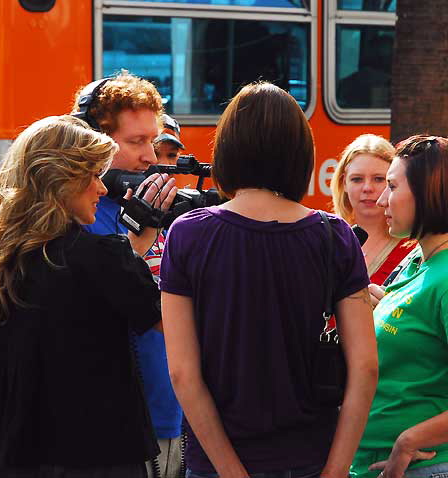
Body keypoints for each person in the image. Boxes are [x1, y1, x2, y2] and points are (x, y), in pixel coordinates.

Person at [159, 82, 379, 478]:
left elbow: (182, 373)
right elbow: (365, 367)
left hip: (216, 465)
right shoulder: (335, 236)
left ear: (227, 148)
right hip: (309, 458)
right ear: (299, 153)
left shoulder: (188, 234)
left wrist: (229, 471)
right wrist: (335, 470)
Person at [0, 115, 162, 478]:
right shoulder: (104, 260)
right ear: (60, 181)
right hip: (97, 464)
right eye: (93, 175)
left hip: (4, 464)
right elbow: (176, 327)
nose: (102, 189)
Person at [72, 72, 183, 478]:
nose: (151, 157)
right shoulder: (79, 220)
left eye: (153, 141)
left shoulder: (151, 204)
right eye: (136, 142)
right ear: (92, 143)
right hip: (115, 429)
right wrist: (136, 242)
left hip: (173, 416)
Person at [351, 135, 448, 478]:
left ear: (427, 192)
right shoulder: (417, 256)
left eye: (390, 185)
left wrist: (407, 442)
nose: (380, 199)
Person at [331, 134, 416, 285]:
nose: (367, 188)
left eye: (378, 179)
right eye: (357, 179)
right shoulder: (326, 237)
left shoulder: (414, 247)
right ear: (344, 182)